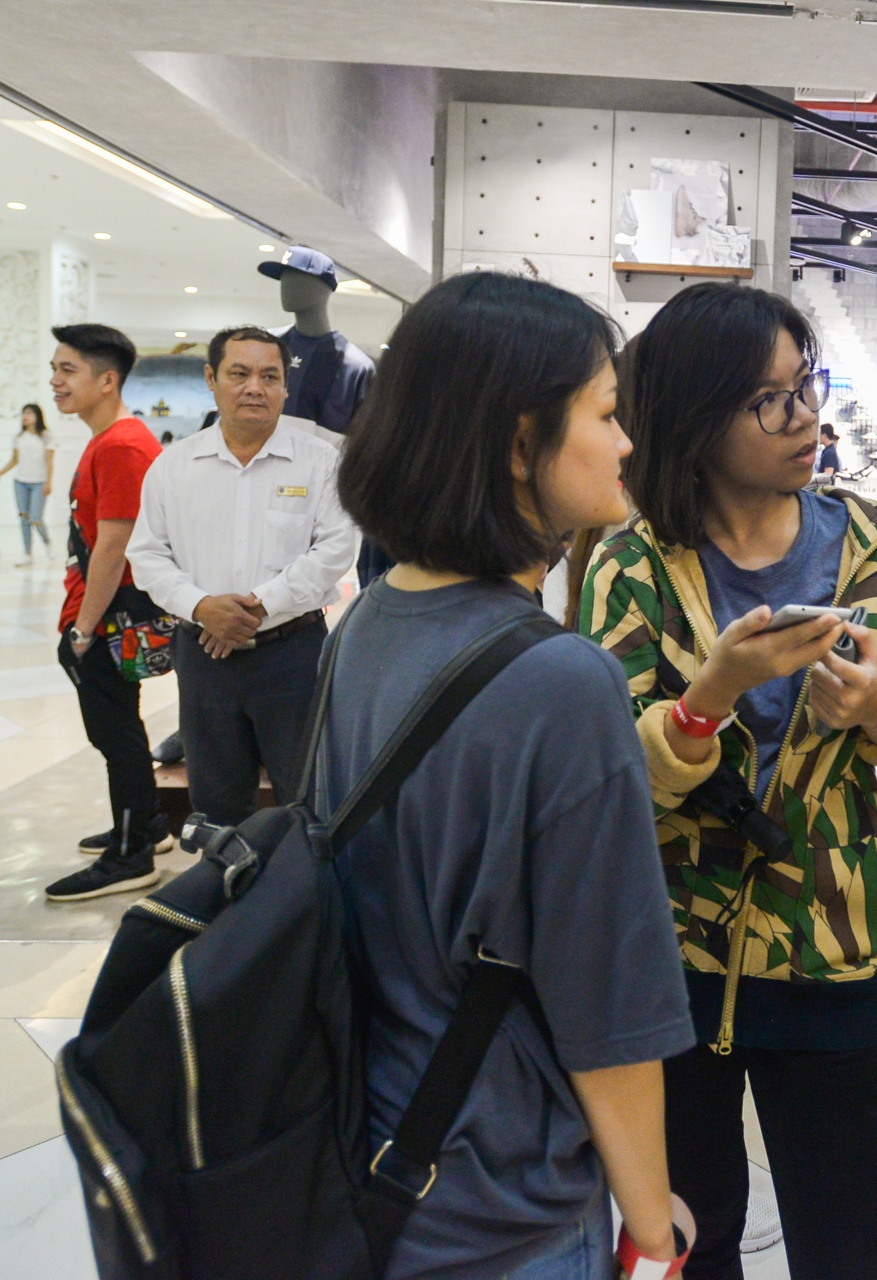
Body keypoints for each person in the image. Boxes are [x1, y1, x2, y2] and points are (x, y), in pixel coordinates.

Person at [329, 270, 695, 1279]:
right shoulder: (560, 680)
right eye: (607, 414)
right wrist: (653, 1229)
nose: (626, 444)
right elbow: (608, 1009)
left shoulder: (366, 622)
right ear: (521, 443)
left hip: (374, 1154)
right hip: (506, 1199)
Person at [581, 282, 877, 1280]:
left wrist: (875, 709)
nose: (805, 418)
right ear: (696, 418)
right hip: (677, 946)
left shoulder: (872, 542)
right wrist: (710, 695)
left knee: (848, 1244)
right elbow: (613, 771)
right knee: (694, 1235)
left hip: (827, 939)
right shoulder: (634, 563)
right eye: (768, 400)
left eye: (807, 385)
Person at [126, 325, 359, 827]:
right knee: (216, 802)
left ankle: (300, 881)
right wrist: (201, 607)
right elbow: (146, 555)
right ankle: (226, 877)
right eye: (240, 374)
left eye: (269, 376)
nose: (255, 387)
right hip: (204, 656)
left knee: (308, 799)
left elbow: (336, 547)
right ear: (211, 379)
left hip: (293, 656)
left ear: (285, 388)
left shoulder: (320, 463)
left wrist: (257, 604)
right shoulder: (173, 466)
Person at [43, 324, 174, 902]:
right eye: (55, 369)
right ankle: (147, 825)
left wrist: (82, 631)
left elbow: (113, 550)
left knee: (115, 736)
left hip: (109, 618)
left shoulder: (121, 446)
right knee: (118, 730)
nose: (55, 381)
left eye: (67, 370)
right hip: (104, 615)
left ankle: (132, 853)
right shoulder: (112, 440)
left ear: (107, 380)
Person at [1, 403, 55, 565]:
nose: (25, 416)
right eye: (24, 413)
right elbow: (14, 460)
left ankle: (48, 543)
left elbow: (49, 462)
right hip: (20, 483)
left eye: (29, 413)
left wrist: (49, 482)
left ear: (38, 416)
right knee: (24, 518)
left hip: (39, 482)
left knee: (35, 518)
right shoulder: (19, 437)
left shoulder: (46, 436)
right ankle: (27, 553)